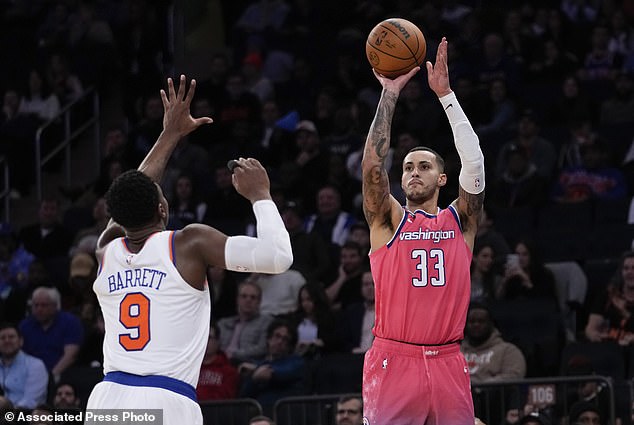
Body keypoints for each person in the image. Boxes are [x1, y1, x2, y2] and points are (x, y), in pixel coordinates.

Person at [85, 75, 293, 425]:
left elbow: (135, 189)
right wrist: (261, 196)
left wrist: (170, 134)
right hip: (167, 399)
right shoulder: (188, 244)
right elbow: (279, 257)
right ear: (163, 211)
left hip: (106, 399)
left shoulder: (106, 250)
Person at [360, 37, 485, 424]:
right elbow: (371, 168)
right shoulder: (389, 221)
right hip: (395, 359)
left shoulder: (460, 221)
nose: (414, 172)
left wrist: (446, 96)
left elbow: (475, 162)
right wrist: (389, 94)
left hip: (448, 358)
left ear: (443, 177)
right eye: (409, 167)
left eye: (424, 166)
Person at [217, 281, 274, 364]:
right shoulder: (223, 323)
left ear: (259, 302)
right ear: (237, 299)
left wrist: (234, 354)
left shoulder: (267, 322)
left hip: (246, 365)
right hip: (219, 364)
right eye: (244, 296)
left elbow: (263, 348)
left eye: (253, 297)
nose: (248, 300)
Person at [0, 322, 48, 409]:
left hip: (23, 417)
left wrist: (8, 414)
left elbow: (31, 401)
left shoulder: (36, 365)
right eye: (2, 338)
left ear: (21, 341)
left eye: (11, 337)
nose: (7, 341)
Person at [196, 322, 238, 401]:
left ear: (218, 341)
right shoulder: (189, 368)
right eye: (202, 337)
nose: (205, 341)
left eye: (209, 338)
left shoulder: (229, 372)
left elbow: (225, 398)